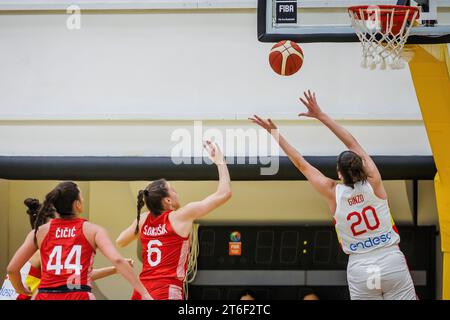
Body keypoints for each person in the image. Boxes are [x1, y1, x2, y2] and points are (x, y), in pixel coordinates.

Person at [250, 90, 417, 300]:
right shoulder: (374, 181)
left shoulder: (332, 192)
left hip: (360, 267)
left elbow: (301, 164)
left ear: (339, 173)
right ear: (362, 167)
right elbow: (352, 143)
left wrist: (274, 133)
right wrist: (321, 115)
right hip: (390, 259)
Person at [116, 141, 232, 300]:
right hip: (166, 289)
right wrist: (219, 161)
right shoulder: (180, 216)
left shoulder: (143, 220)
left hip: (141, 291)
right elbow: (224, 193)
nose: (176, 192)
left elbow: (120, 241)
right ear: (167, 201)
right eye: (173, 189)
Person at [6, 181, 152, 300]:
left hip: (46, 294)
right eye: (81, 197)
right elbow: (118, 260)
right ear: (78, 204)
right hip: (78, 293)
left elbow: (12, 269)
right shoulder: (92, 230)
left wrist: (21, 289)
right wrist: (144, 293)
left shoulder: (39, 233)